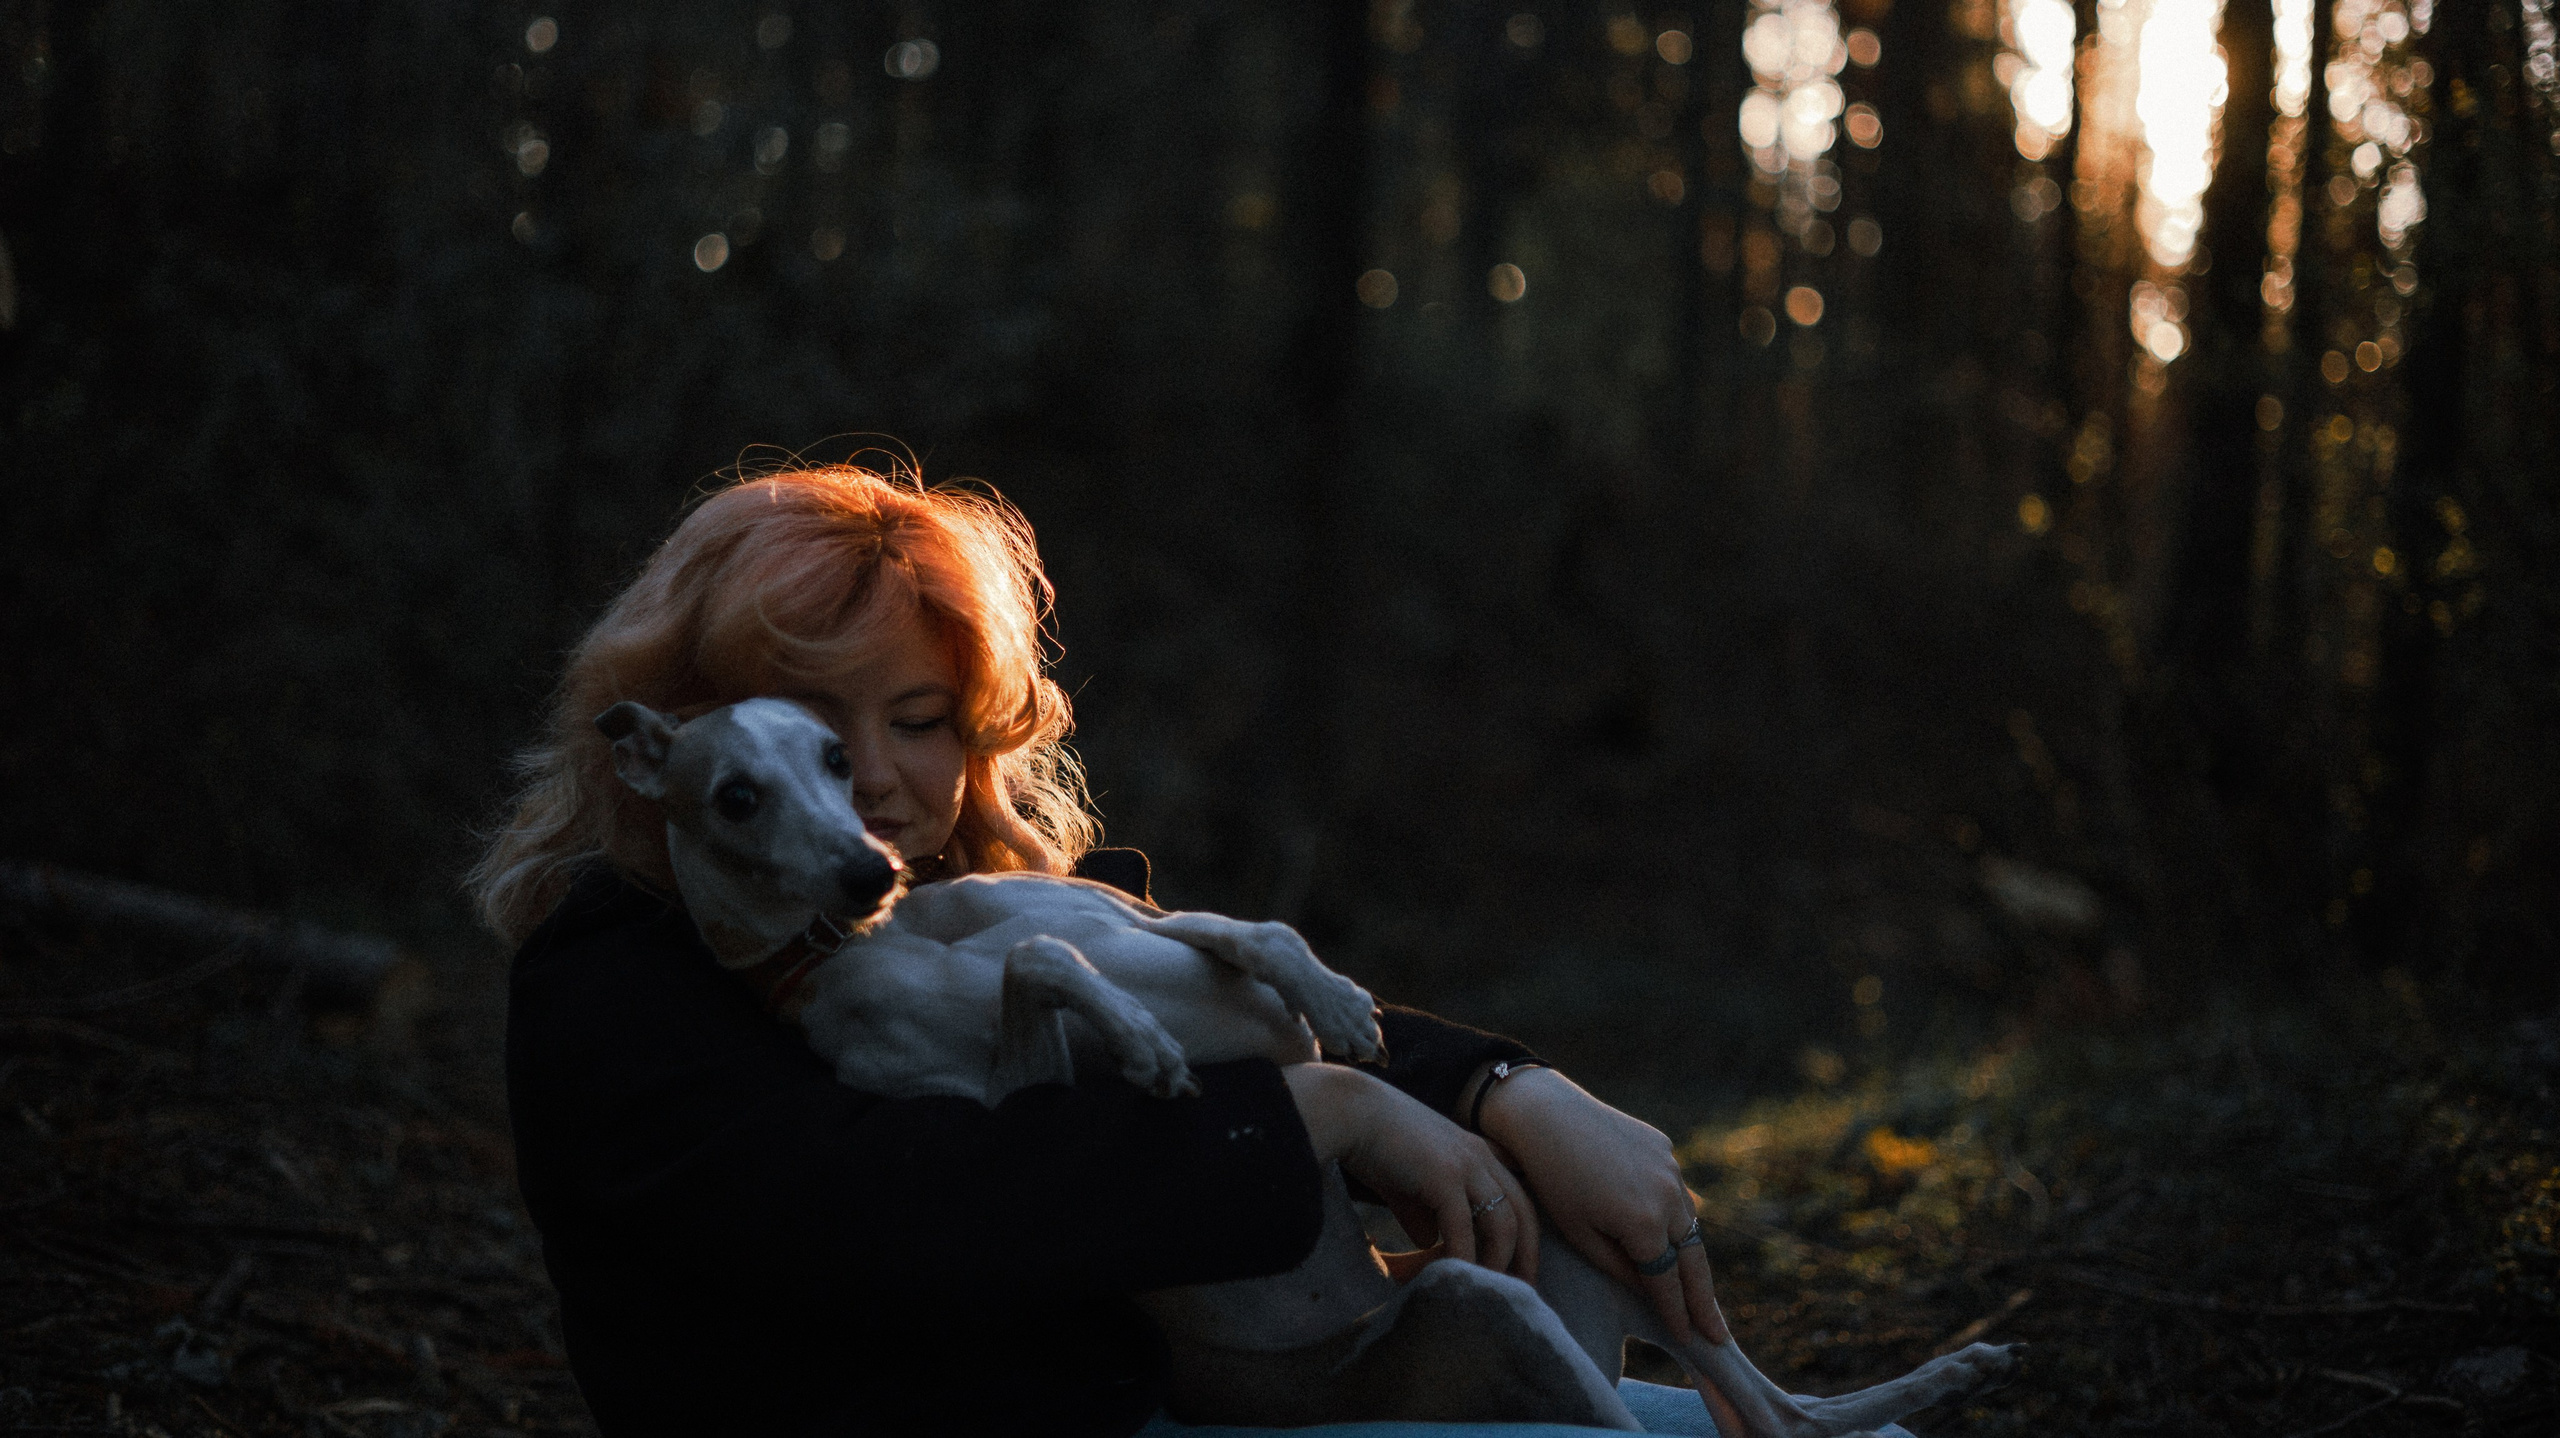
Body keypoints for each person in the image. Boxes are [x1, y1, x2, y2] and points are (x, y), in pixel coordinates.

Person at [470, 464, 1729, 1437]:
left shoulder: (945, 902)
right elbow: (904, 1209)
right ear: (679, 740)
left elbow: (1191, 999)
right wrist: (1317, 1117)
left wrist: (1502, 1090)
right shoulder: (613, 979)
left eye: (918, 718)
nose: (867, 780)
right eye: (805, 726)